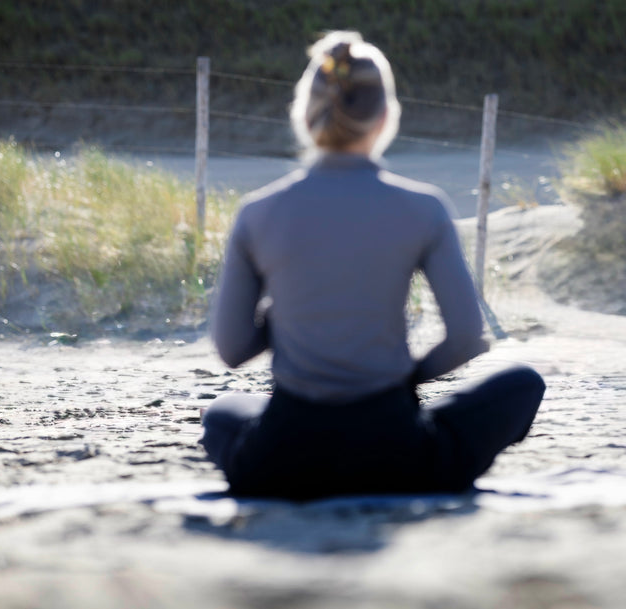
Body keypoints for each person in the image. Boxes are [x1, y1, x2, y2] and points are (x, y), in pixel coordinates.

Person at [200, 31, 545, 500]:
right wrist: (402, 382)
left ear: (305, 115)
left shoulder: (257, 211)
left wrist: (283, 313)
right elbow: (466, 338)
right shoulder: (424, 208)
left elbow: (232, 348)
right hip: (398, 454)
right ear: (385, 118)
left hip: (281, 459)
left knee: (222, 412)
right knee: (523, 384)